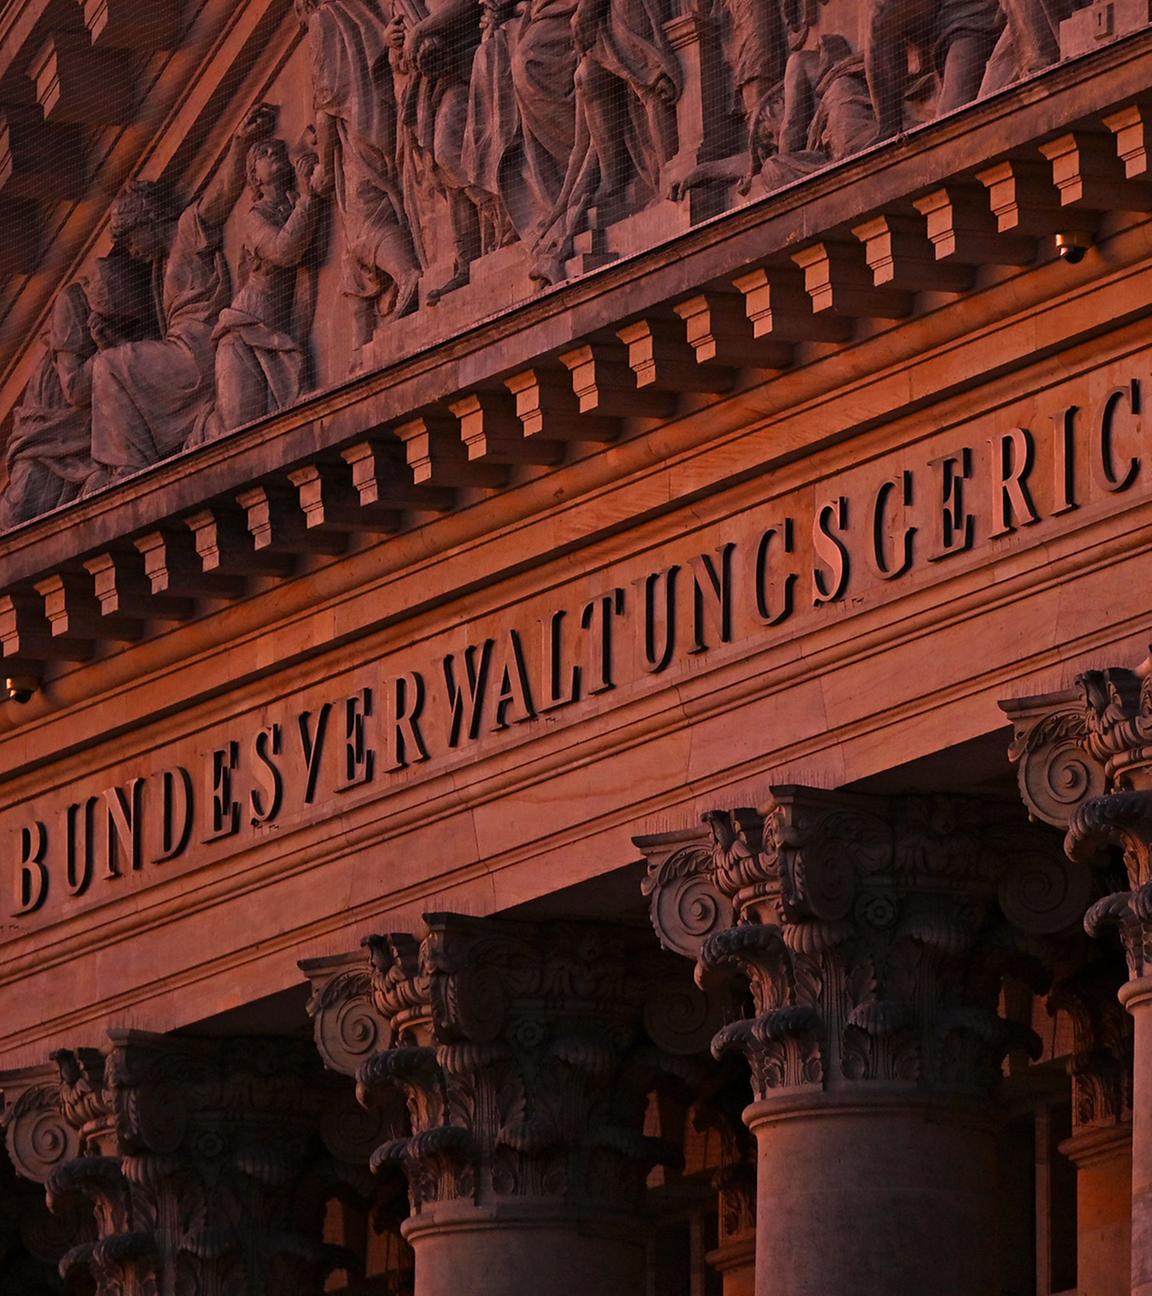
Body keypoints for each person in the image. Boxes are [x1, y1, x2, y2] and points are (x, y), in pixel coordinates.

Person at [85, 103, 278, 487]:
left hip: (198, 355)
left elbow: (222, 193)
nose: (132, 250)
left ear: (149, 221)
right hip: (182, 351)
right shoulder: (160, 265)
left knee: (107, 366)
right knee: (111, 361)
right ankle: (132, 461)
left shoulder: (188, 229)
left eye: (131, 238)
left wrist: (240, 141)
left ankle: (130, 467)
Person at [299, 0, 423, 347]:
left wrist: (323, 165)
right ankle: (361, 343)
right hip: (382, 119)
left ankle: (408, 274)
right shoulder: (359, 7)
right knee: (372, 219)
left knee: (363, 224)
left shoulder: (323, 19)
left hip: (357, 132)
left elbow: (327, 104)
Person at [208, 138, 324, 435]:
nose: (273, 153)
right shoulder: (253, 218)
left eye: (278, 150)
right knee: (239, 437)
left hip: (275, 329)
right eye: (262, 153)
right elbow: (284, 251)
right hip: (244, 337)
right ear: (254, 177)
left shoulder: (291, 203)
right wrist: (309, 198)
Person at [0, 284, 96, 528]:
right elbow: (75, 388)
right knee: (15, 516)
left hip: (67, 431)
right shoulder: (73, 300)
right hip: (52, 432)